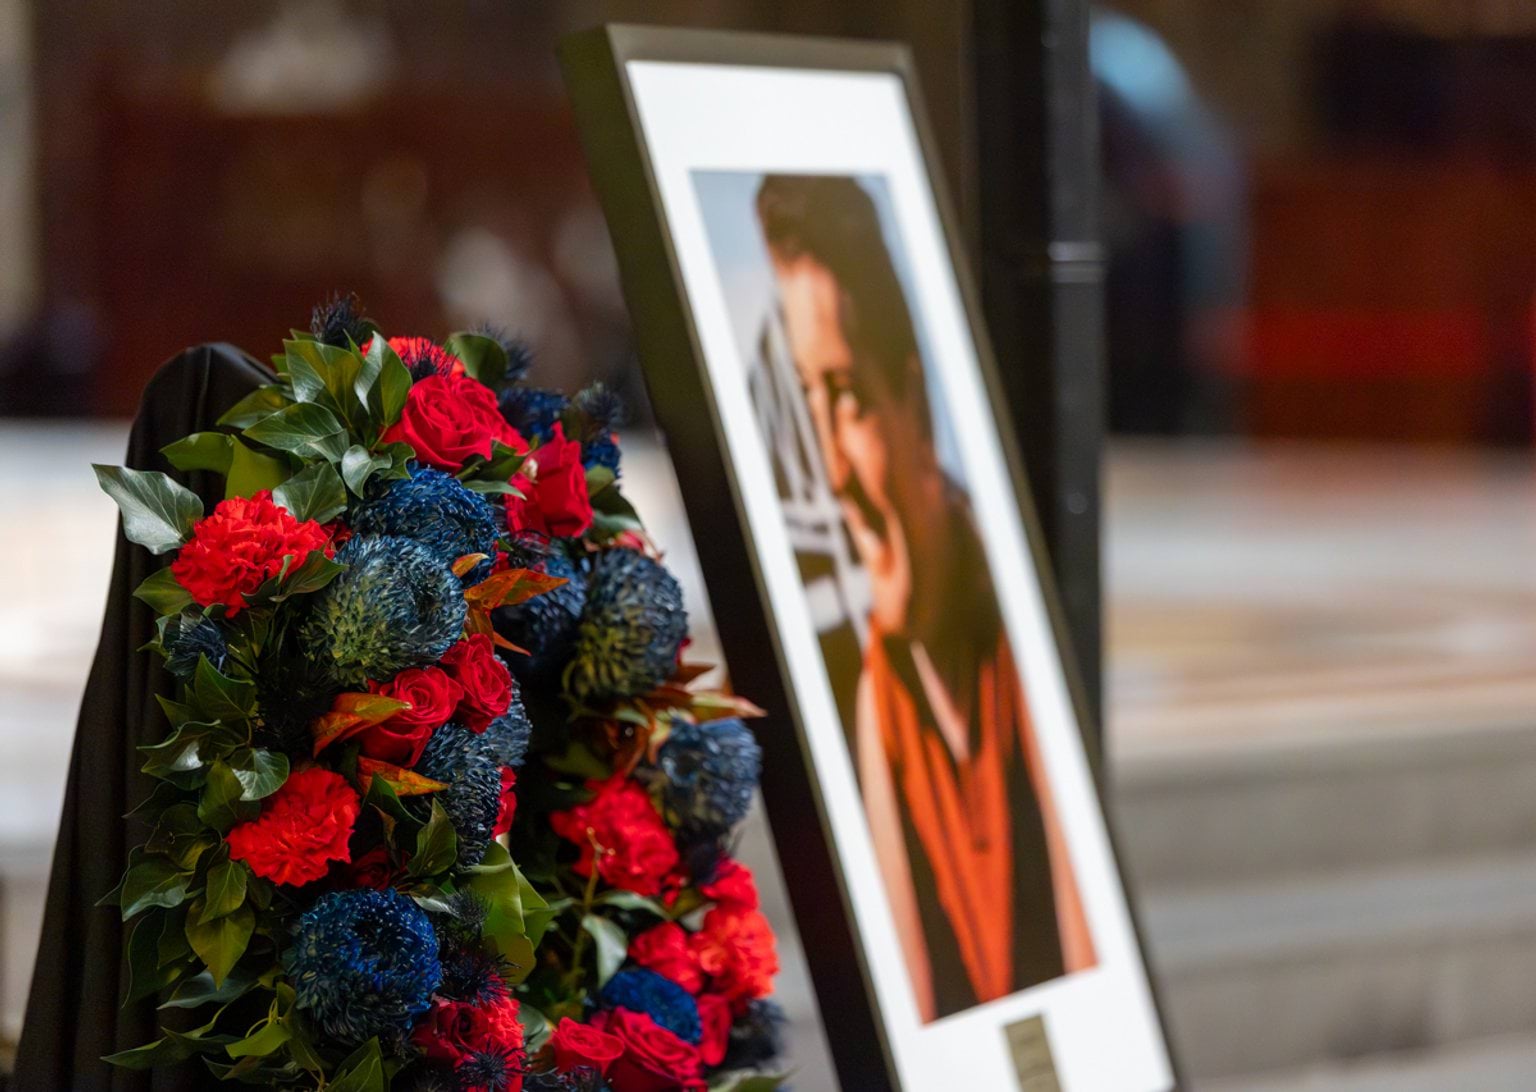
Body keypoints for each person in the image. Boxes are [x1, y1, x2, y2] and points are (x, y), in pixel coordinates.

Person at [755, 175, 1095, 1021]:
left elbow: (1095, 988)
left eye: (851, 398)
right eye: (811, 402)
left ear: (914, 394)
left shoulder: (1016, 630)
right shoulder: (883, 697)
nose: (833, 469)